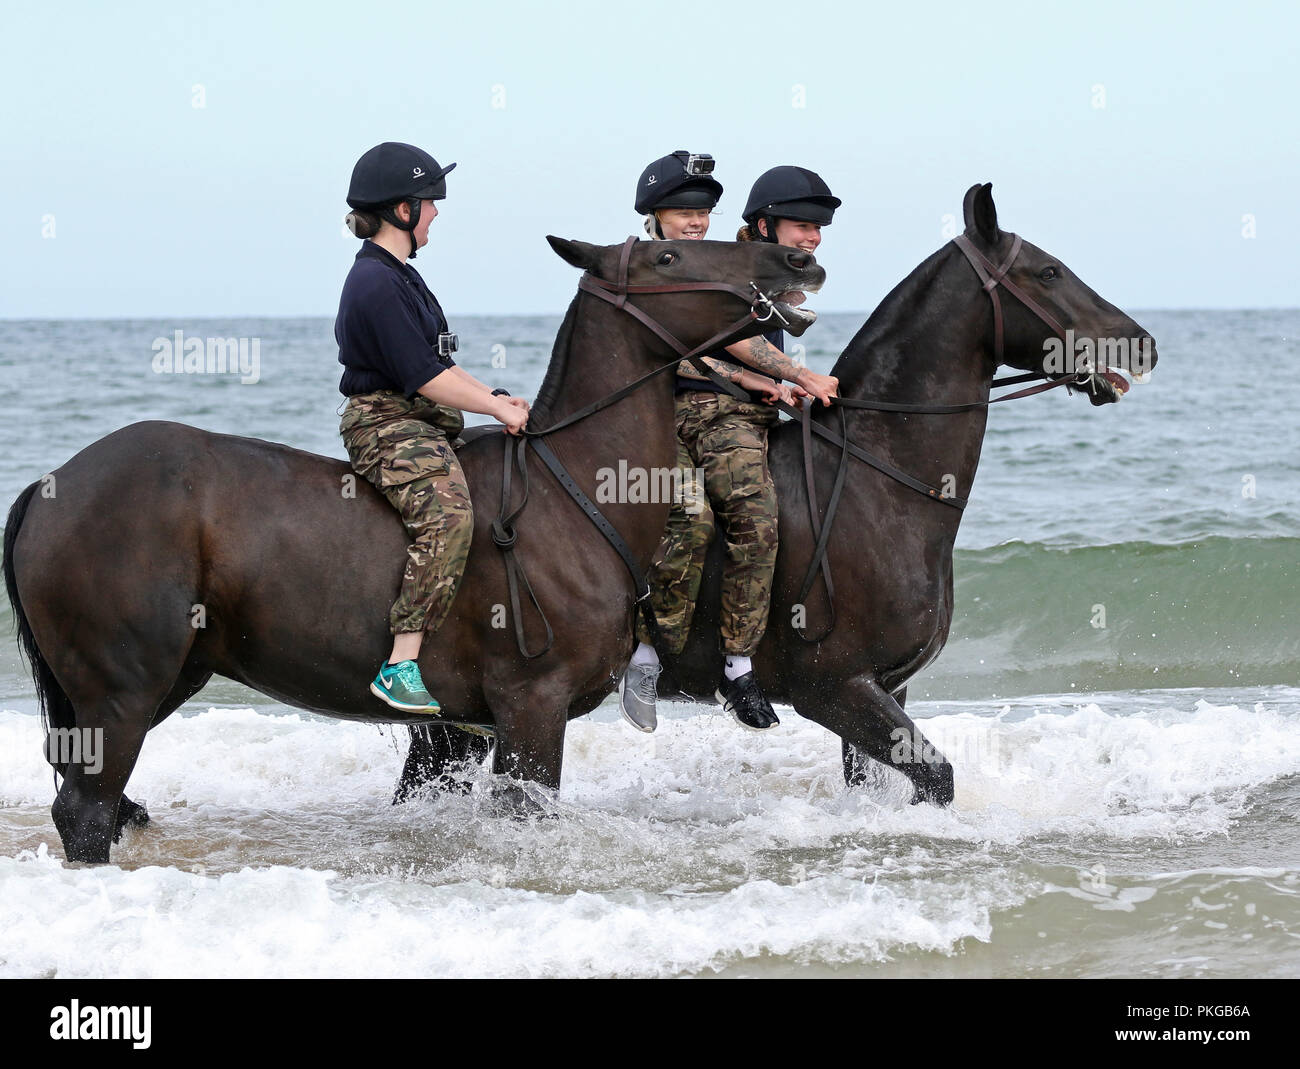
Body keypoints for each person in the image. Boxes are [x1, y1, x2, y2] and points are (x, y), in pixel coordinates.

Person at [619, 156, 841, 733]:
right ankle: (648, 653)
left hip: (729, 414)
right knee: (687, 517)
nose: (696, 222)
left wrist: (767, 382)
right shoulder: (639, 268)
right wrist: (794, 375)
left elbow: (721, 344)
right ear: (655, 215)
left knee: (756, 514)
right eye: (684, 211)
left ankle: (738, 664)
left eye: (703, 212)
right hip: (655, 414)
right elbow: (685, 346)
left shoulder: (722, 266)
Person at [335, 141, 529, 714]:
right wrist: (494, 410)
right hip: (385, 422)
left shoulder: (404, 276)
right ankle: (400, 664)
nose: (437, 213)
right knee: (448, 514)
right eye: (429, 202)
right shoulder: (374, 283)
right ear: (402, 211)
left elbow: (441, 364)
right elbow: (423, 377)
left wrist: (492, 396)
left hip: (422, 412)